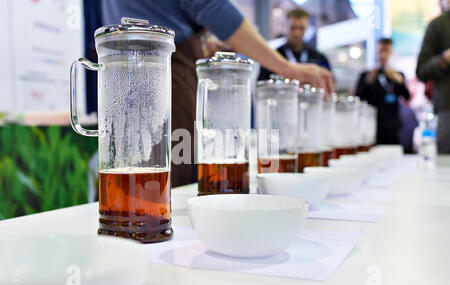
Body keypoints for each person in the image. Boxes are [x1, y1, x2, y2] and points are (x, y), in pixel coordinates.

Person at [101, 0, 334, 187]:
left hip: (122, 69)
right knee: (165, 175)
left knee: (131, 169)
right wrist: (288, 68)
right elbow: (216, 9)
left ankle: (127, 230)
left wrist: (202, 39)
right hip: (165, 68)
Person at [356, 38, 410, 145]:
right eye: (381, 51)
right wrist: (368, 82)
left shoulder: (397, 76)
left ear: (391, 53)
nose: (384, 55)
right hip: (372, 125)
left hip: (392, 125)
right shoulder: (367, 75)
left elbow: (407, 97)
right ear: (377, 52)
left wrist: (399, 81)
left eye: (387, 51)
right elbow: (358, 98)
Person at [258, 8, 332, 81]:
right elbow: (261, 87)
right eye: (293, 28)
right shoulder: (273, 58)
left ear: (306, 28)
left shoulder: (319, 58)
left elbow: (330, 82)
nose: (297, 33)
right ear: (285, 26)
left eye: (301, 28)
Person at [416, 0, 450, 154]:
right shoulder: (437, 25)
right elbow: (421, 71)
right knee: (445, 168)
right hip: (447, 110)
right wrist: (444, 59)